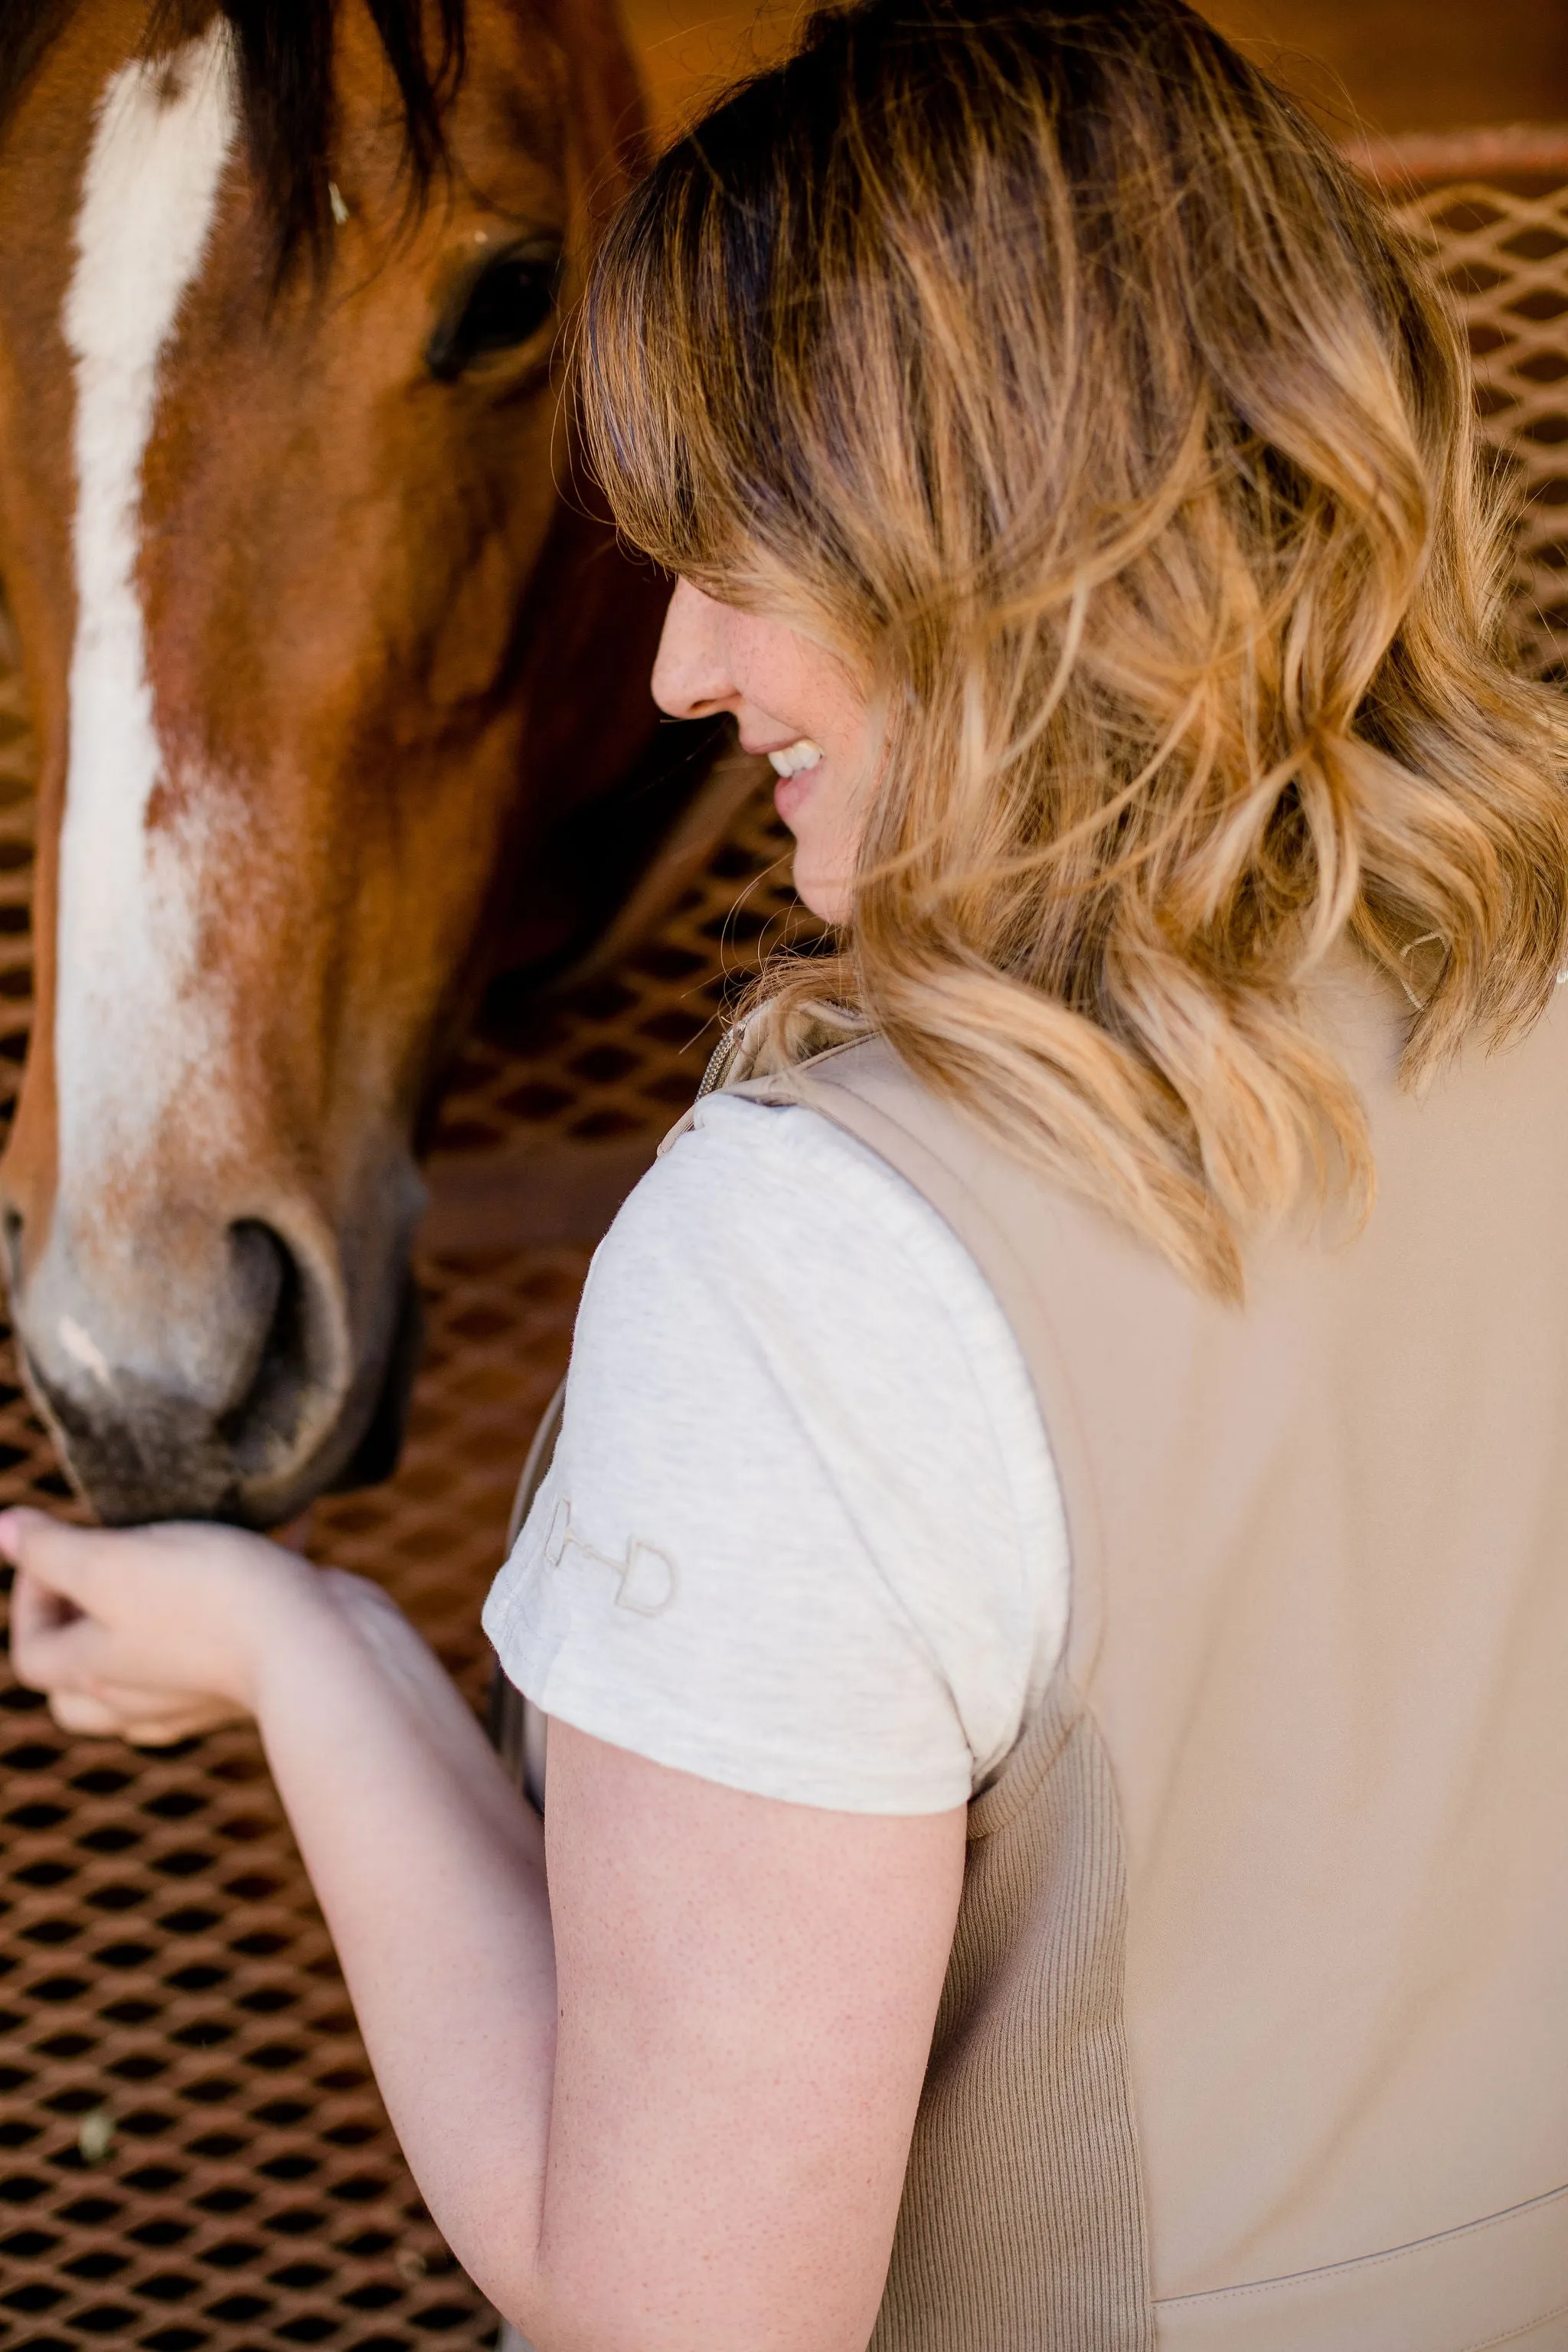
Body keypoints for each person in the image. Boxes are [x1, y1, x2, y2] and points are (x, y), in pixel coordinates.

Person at [8, 1, 1568, 2344]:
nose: (679, 669)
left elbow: (681, 2320)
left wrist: (313, 1659)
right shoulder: (1518, 1022)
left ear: (998, 531)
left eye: (744, 535)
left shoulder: (819, 1264)